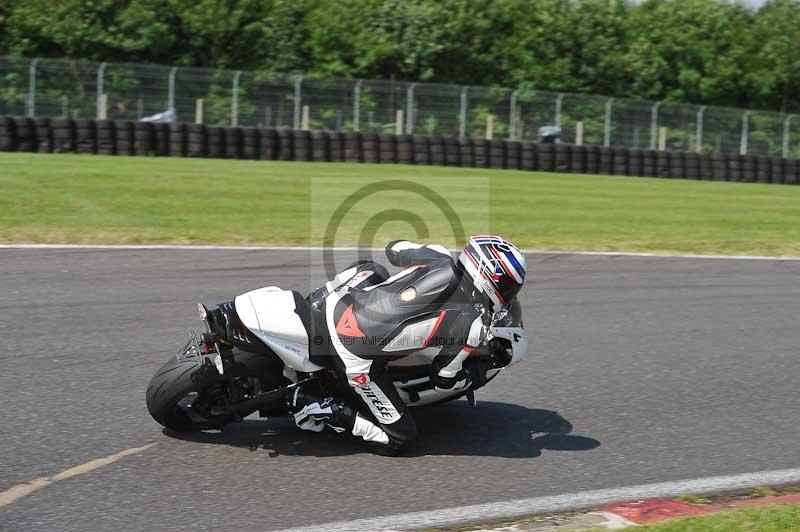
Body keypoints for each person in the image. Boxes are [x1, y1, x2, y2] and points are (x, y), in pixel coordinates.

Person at [288, 235, 527, 455]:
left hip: (336, 303)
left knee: (373, 269)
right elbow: (443, 378)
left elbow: (393, 248)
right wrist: (468, 376)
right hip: (353, 353)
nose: (508, 294)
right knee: (399, 438)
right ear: (489, 277)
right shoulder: (471, 324)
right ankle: (320, 406)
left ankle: (317, 302)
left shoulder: (438, 255)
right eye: (508, 286)